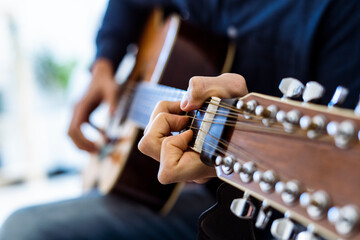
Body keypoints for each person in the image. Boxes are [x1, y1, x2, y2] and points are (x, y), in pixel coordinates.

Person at [1, 0, 359, 239]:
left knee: (26, 228)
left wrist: (219, 155)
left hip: (250, 207)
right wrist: (104, 62)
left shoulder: (339, 12)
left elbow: (335, 162)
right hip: (159, 186)